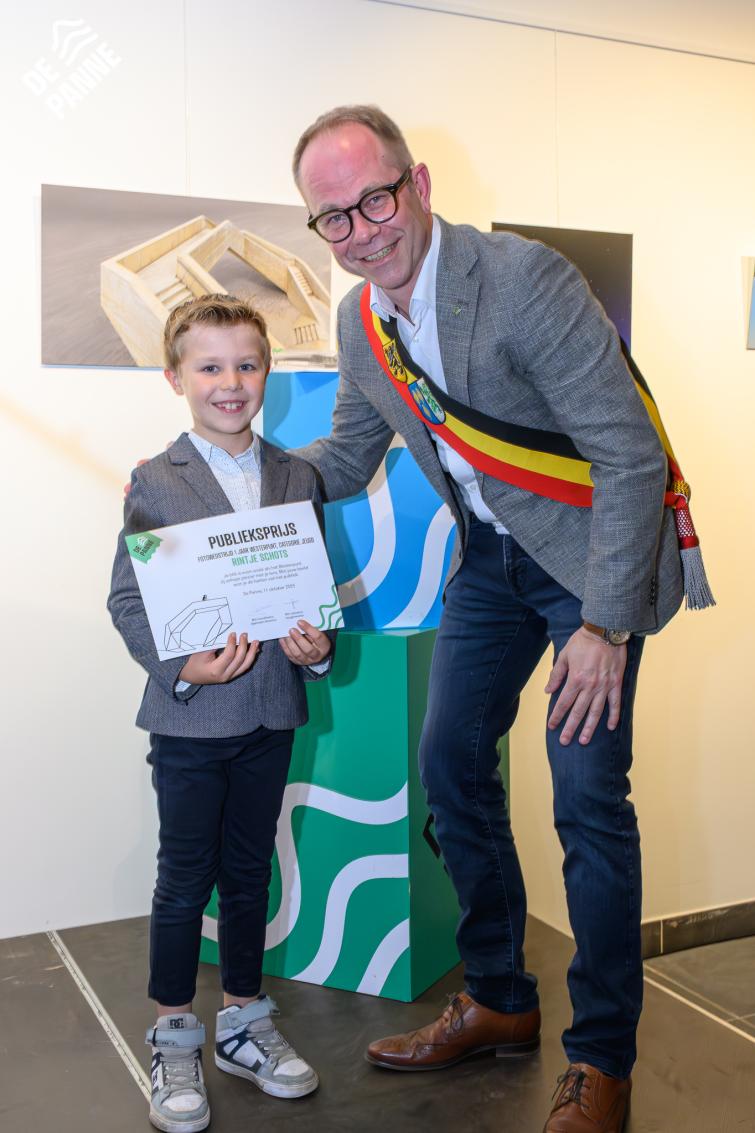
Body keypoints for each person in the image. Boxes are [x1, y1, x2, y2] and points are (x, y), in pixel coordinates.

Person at [290, 105, 699, 1132]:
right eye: (332, 217)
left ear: (418, 183)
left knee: (585, 798)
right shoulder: (360, 321)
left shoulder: (522, 281)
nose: (360, 232)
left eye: (374, 200)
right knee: (451, 766)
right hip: (488, 560)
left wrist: (603, 627)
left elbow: (627, 455)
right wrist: (237, 477)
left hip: (585, 564)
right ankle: (498, 997)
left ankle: (600, 1057)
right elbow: (347, 456)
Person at [108, 294, 333, 1132]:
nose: (230, 381)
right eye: (209, 366)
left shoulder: (299, 476)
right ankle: (174, 1034)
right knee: (183, 878)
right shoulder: (154, 478)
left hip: (271, 711)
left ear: (266, 370)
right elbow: (128, 599)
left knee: (249, 873)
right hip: (192, 719)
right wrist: (183, 667)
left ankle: (244, 1021)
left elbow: (311, 591)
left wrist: (318, 647)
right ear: (176, 378)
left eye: (246, 363)